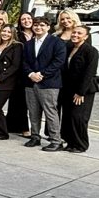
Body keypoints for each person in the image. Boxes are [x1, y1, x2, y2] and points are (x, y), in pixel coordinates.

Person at [23, 16, 67, 151]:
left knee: (50, 112)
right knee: (33, 112)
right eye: (36, 25)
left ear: (48, 27)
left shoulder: (56, 42)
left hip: (49, 83)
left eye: (42, 25)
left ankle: (56, 141)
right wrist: (31, 74)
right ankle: (35, 137)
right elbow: (23, 61)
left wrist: (42, 74)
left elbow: (58, 61)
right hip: (31, 82)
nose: (38, 27)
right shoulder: (28, 43)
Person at [60, 26, 99, 153]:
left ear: (86, 37)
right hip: (68, 88)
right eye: (74, 32)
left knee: (79, 117)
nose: (75, 34)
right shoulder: (69, 47)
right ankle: (71, 143)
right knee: (68, 117)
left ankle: (81, 145)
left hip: (84, 90)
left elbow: (89, 72)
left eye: (79, 33)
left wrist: (80, 92)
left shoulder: (91, 51)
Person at [7, 12, 34, 136]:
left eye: (28, 18)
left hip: (36, 71)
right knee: (18, 101)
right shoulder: (17, 35)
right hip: (19, 71)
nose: (26, 21)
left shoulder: (39, 32)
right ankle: (22, 127)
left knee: (33, 102)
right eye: (23, 19)